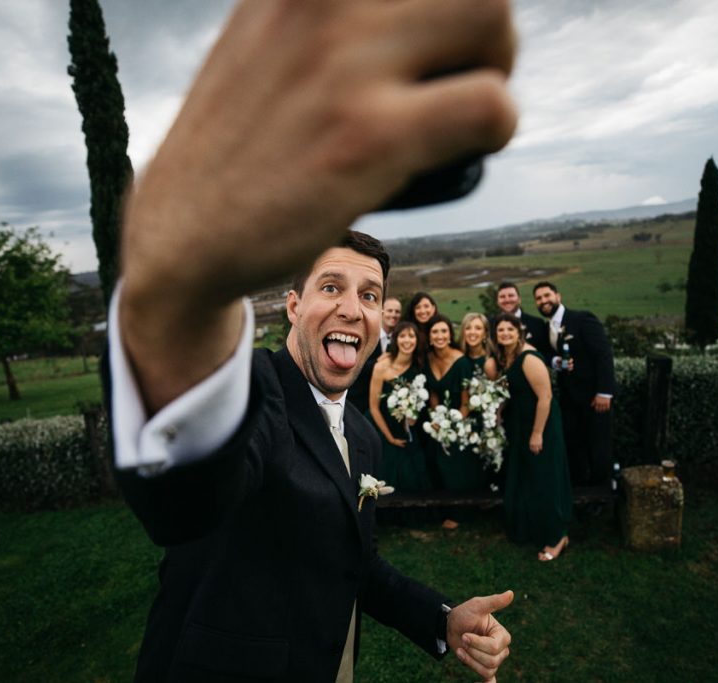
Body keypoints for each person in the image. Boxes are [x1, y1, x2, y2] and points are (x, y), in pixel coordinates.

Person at [109, 1, 519, 679]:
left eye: (368, 295)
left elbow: (349, 564)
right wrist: (178, 290)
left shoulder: (359, 434)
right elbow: (182, 498)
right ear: (294, 305)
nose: (353, 309)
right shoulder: (261, 391)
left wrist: (439, 617)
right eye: (331, 286)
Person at [493, 313, 572, 560]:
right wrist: (499, 409)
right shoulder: (508, 355)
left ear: (519, 332)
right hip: (521, 422)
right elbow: (514, 389)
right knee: (529, 478)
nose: (505, 334)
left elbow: (545, 397)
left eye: (509, 329)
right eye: (500, 330)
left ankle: (557, 537)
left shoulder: (529, 357)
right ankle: (532, 527)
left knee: (545, 480)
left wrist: (537, 433)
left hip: (542, 425)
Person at [532, 281, 616, 488]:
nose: (543, 301)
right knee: (574, 444)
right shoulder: (548, 327)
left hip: (593, 396)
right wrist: (555, 361)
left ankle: (601, 493)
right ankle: (579, 490)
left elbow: (603, 354)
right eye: (539, 298)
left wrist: (604, 392)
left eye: (547, 295)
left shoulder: (581, 319)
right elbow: (550, 353)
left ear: (558, 296)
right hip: (569, 398)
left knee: (598, 445)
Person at [425, 314, 486, 508]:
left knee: (460, 464)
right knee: (442, 464)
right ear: (429, 337)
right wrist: (437, 419)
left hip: (462, 420)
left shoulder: (462, 362)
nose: (440, 335)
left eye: (444, 331)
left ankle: (464, 509)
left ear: (450, 336)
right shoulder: (429, 359)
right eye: (435, 332)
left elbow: (466, 403)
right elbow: (433, 393)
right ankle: (449, 505)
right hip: (441, 420)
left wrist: (454, 426)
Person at [368, 321, 433, 501]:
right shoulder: (381, 366)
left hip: (407, 429)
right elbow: (373, 407)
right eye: (402, 336)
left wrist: (413, 416)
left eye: (411, 336)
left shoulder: (419, 366)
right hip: (382, 427)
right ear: (395, 340)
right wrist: (389, 437)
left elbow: (422, 400)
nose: (407, 341)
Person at [346, 295, 401, 413]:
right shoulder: (366, 335)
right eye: (390, 311)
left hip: (385, 405)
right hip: (359, 401)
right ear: (381, 312)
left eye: (397, 312)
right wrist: (377, 363)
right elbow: (353, 366)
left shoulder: (400, 341)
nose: (394, 315)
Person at [491, 281, 548, 350]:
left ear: (519, 299)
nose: (507, 300)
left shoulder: (537, 323)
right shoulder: (490, 324)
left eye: (511, 295)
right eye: (502, 297)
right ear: (497, 301)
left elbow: (546, 353)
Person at [459, 312, 496, 377]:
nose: (472, 332)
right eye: (468, 328)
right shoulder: (457, 358)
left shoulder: (492, 361)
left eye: (478, 328)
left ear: (485, 334)